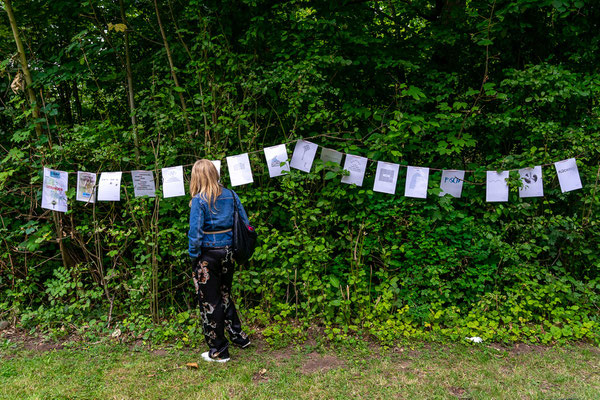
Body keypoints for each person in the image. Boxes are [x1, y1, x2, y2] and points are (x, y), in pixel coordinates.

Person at [188, 159, 251, 363]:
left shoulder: (199, 200)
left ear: (197, 177)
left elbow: (195, 235)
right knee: (224, 295)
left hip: (207, 256)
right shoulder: (231, 195)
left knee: (210, 302)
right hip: (228, 253)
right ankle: (239, 337)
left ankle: (219, 350)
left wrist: (193, 256)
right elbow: (245, 223)